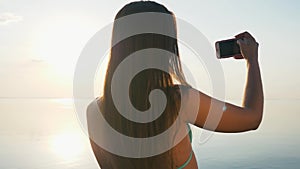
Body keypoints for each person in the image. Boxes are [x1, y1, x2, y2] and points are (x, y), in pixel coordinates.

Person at [87, 1, 264, 169]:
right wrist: (252, 61)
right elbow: (252, 118)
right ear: (165, 47)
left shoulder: (93, 111)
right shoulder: (180, 101)